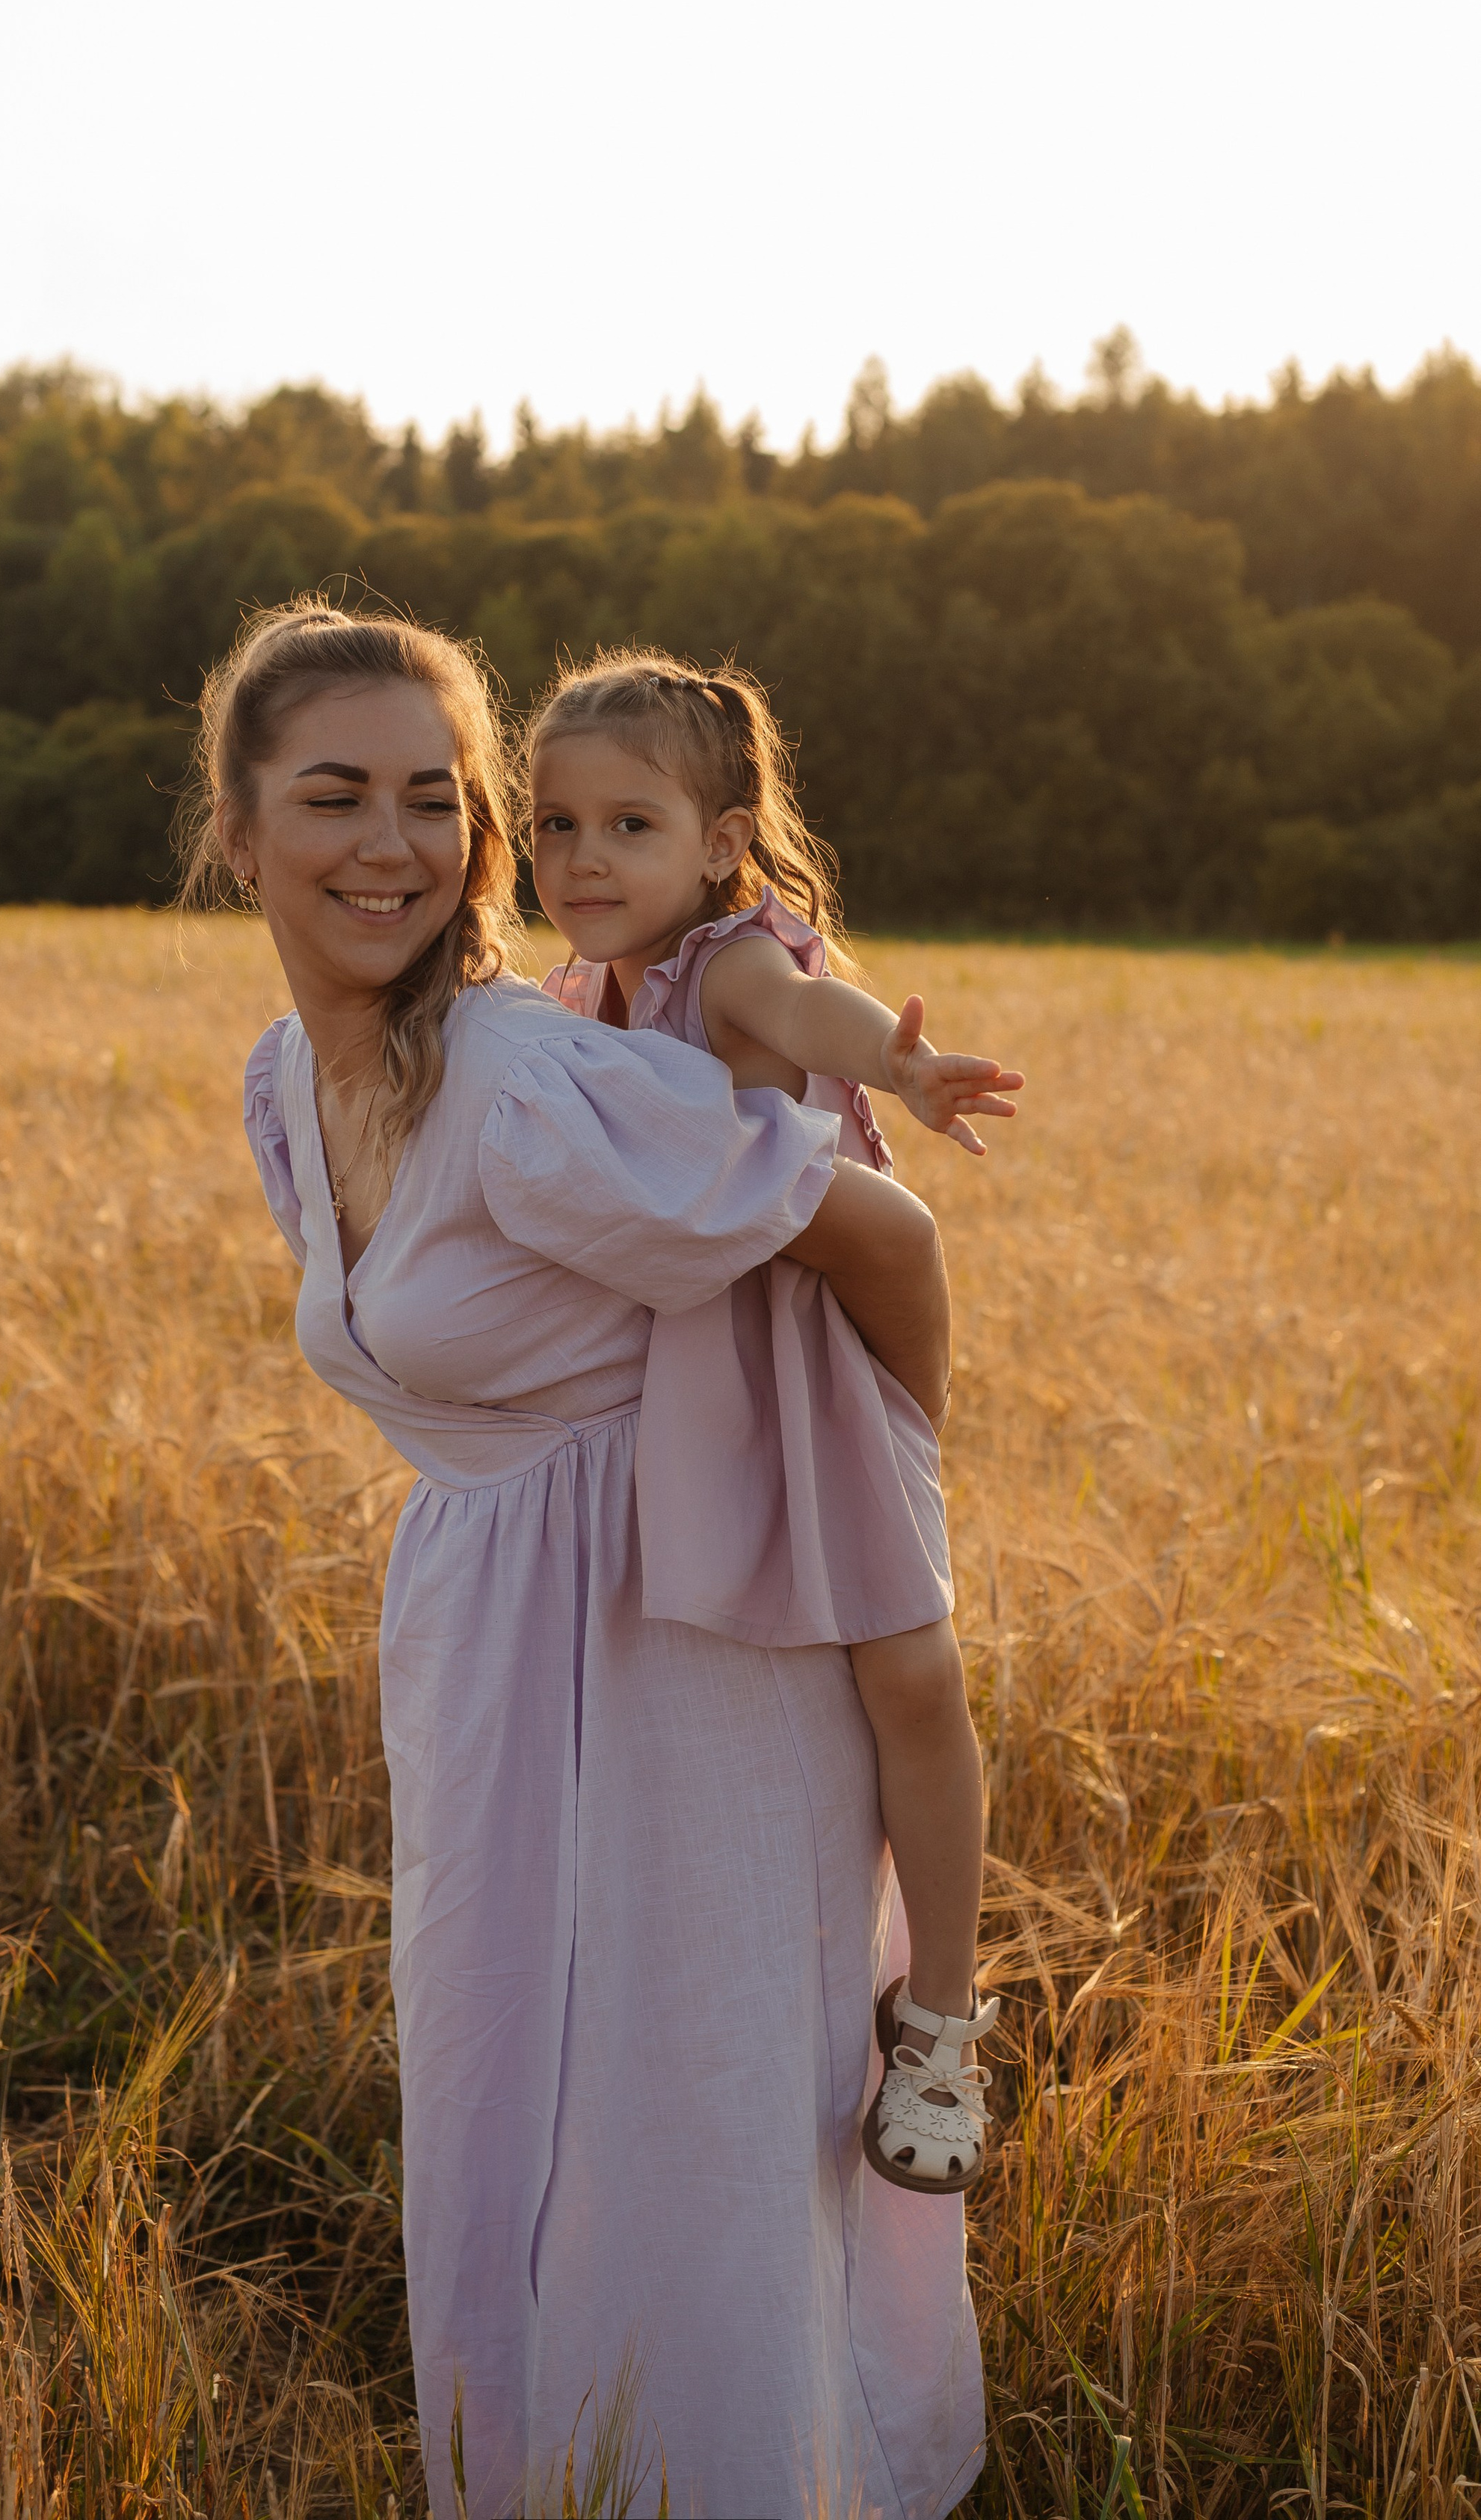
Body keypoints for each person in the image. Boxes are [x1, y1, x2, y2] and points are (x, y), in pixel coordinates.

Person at [188, 596, 985, 2519]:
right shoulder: (287, 1090)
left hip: (682, 1639)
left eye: (432, 799)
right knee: (498, 2087)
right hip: (476, 1641)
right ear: (238, 832)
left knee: (691, 2111)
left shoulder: (530, 1079)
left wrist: (867, 1466)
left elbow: (883, 1241)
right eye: (332, 798)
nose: (391, 845)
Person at [527, 647, 1020, 2199]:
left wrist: (901, 1063)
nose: (582, 860)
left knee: (906, 1668)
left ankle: (936, 2012)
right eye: (553, 827)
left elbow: (809, 1011)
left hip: (800, 1365)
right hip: (684, 1366)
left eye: (628, 826)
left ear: (721, 842)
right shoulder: (573, 991)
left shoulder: (723, 961)